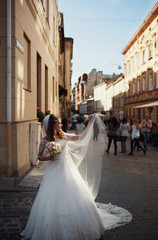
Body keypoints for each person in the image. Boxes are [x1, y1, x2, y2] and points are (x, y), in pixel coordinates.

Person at [21, 114, 132, 240]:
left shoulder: (64, 135)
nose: (61, 124)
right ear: (52, 125)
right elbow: (39, 156)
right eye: (59, 123)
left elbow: (80, 137)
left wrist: (90, 123)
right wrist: (49, 157)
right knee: (51, 197)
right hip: (53, 170)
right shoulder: (45, 140)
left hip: (67, 169)